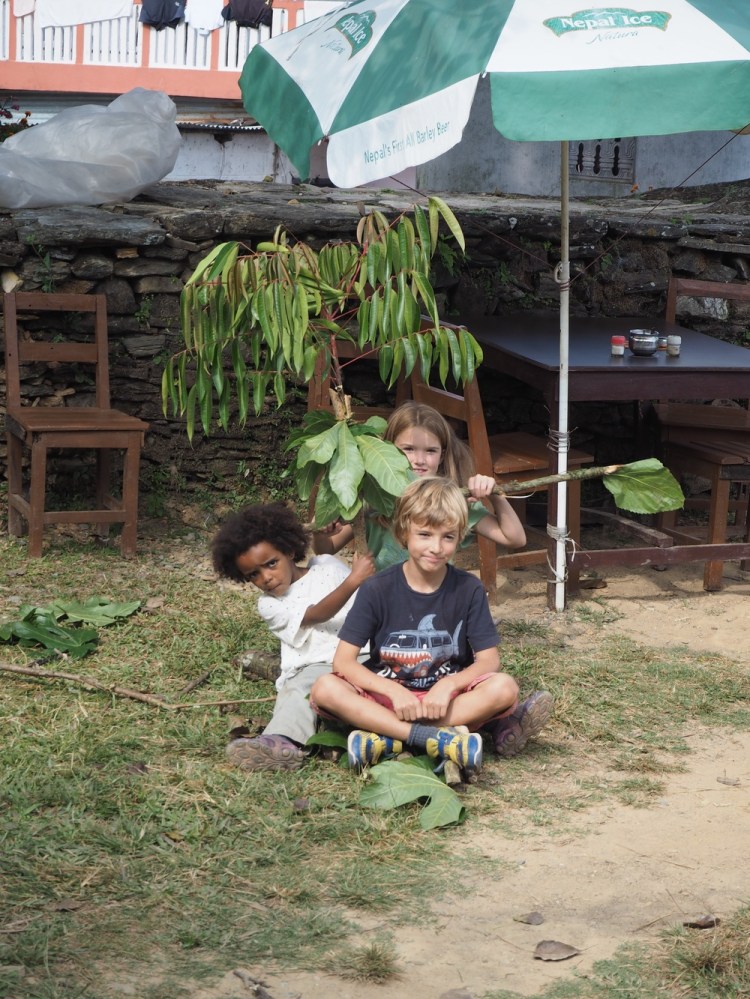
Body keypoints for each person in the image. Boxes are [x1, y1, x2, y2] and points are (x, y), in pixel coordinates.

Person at [310, 477, 552, 770]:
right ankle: (431, 737)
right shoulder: (376, 588)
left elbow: (489, 661)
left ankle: (388, 736)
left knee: (504, 688)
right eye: (424, 534)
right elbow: (343, 662)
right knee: (325, 688)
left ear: (461, 536)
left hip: (445, 702)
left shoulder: (469, 588)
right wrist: (393, 691)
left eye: (447, 537)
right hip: (387, 698)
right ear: (403, 534)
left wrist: (449, 685)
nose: (436, 547)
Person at [212, 502, 375, 772]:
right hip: (318, 666)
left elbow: (324, 552)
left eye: (271, 563)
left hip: (364, 653)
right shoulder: (271, 605)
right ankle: (282, 741)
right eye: (253, 574)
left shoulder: (325, 565)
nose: (266, 577)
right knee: (298, 691)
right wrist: (353, 581)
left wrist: (322, 532)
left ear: (289, 551)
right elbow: (316, 614)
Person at [312, 400, 527, 571]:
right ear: (386, 451)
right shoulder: (374, 495)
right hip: (380, 602)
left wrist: (496, 494)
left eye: (430, 451)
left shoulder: (451, 501)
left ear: (442, 455)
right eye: (408, 449)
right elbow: (327, 549)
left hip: (433, 601)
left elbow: (514, 538)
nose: (419, 460)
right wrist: (321, 531)